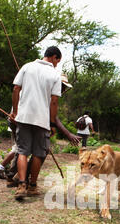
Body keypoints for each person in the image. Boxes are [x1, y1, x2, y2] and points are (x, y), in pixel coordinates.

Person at [6, 73, 79, 188]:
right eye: (62, 85)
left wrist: (51, 127)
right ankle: (16, 177)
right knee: (28, 150)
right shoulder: (47, 93)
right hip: (21, 120)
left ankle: (17, 177)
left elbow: (50, 115)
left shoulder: (44, 91)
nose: (63, 89)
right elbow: (53, 117)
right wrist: (68, 134)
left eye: (64, 86)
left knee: (27, 150)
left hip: (27, 121)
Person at [9, 46, 63, 199]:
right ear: (54, 57)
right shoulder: (54, 74)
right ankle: (32, 186)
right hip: (41, 119)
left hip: (24, 117)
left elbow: (16, 89)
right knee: (39, 153)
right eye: (57, 61)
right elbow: (54, 101)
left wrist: (15, 111)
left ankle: (21, 185)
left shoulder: (27, 67)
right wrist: (52, 124)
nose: (56, 65)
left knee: (22, 151)